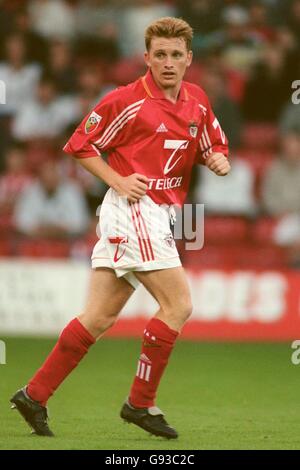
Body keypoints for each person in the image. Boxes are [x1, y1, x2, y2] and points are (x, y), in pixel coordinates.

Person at [11, 17, 230, 440]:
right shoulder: (126, 100)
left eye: (176, 55)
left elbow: (211, 143)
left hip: (160, 214)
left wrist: (218, 158)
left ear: (189, 59)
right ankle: (140, 404)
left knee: (100, 315)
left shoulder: (198, 100)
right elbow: (78, 144)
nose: (168, 63)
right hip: (134, 208)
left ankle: (33, 395)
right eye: (160, 55)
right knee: (178, 305)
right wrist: (117, 179)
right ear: (146, 58)